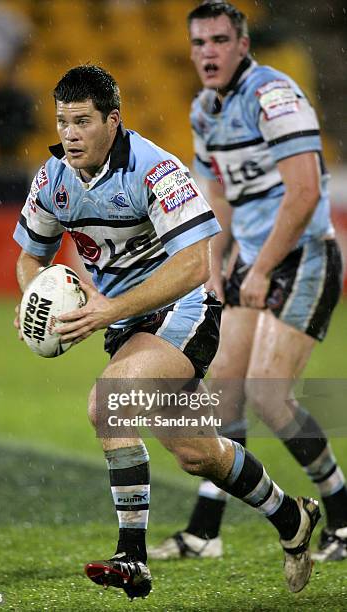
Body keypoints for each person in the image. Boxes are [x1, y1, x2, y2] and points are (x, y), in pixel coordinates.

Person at [13, 64, 321, 600]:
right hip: (130, 328)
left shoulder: (156, 171)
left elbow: (195, 265)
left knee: (108, 403)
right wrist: (33, 299)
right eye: (63, 121)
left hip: (185, 312)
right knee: (199, 453)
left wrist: (108, 310)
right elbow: (30, 257)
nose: (69, 133)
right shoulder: (53, 178)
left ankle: (132, 557)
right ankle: (291, 515)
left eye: (82, 121)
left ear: (113, 120)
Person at [149, 1, 347, 564]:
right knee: (226, 394)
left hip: (303, 257)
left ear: (242, 43)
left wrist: (259, 268)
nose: (207, 52)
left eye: (218, 40)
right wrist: (215, 271)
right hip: (251, 264)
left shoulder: (273, 96)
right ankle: (204, 531)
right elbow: (217, 200)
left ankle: (343, 516)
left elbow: (306, 191)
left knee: (268, 393)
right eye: (198, 43)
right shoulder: (205, 110)